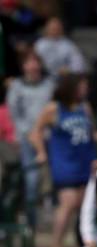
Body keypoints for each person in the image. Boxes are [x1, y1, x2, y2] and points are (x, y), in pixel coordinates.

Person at [30, 73, 97, 247]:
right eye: (81, 85)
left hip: (84, 160)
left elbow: (91, 134)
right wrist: (41, 152)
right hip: (64, 162)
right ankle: (56, 245)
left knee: (84, 205)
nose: (85, 89)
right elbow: (35, 132)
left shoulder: (85, 108)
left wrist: (95, 155)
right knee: (68, 202)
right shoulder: (54, 108)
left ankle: (82, 245)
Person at [6, 48, 54, 225]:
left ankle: (49, 210)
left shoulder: (49, 84)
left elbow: (55, 108)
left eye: (36, 62)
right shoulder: (17, 86)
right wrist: (26, 134)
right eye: (29, 62)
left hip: (49, 136)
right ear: (23, 66)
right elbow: (14, 113)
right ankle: (30, 220)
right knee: (31, 179)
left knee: (51, 177)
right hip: (28, 138)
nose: (33, 66)